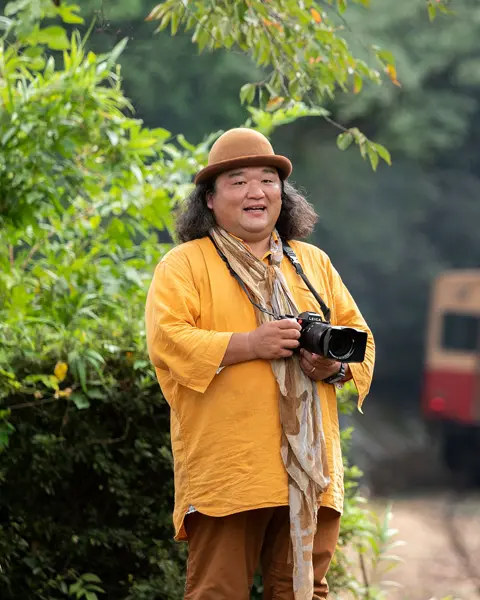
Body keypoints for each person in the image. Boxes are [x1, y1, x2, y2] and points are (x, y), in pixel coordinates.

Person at [145, 128, 375, 600]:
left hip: (310, 475)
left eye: (269, 180)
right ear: (209, 199)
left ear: (283, 194)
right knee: (217, 592)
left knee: (305, 592)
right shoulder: (184, 264)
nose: (257, 192)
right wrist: (251, 343)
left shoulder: (311, 262)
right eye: (238, 181)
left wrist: (328, 368)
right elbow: (169, 340)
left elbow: (361, 339)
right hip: (230, 471)